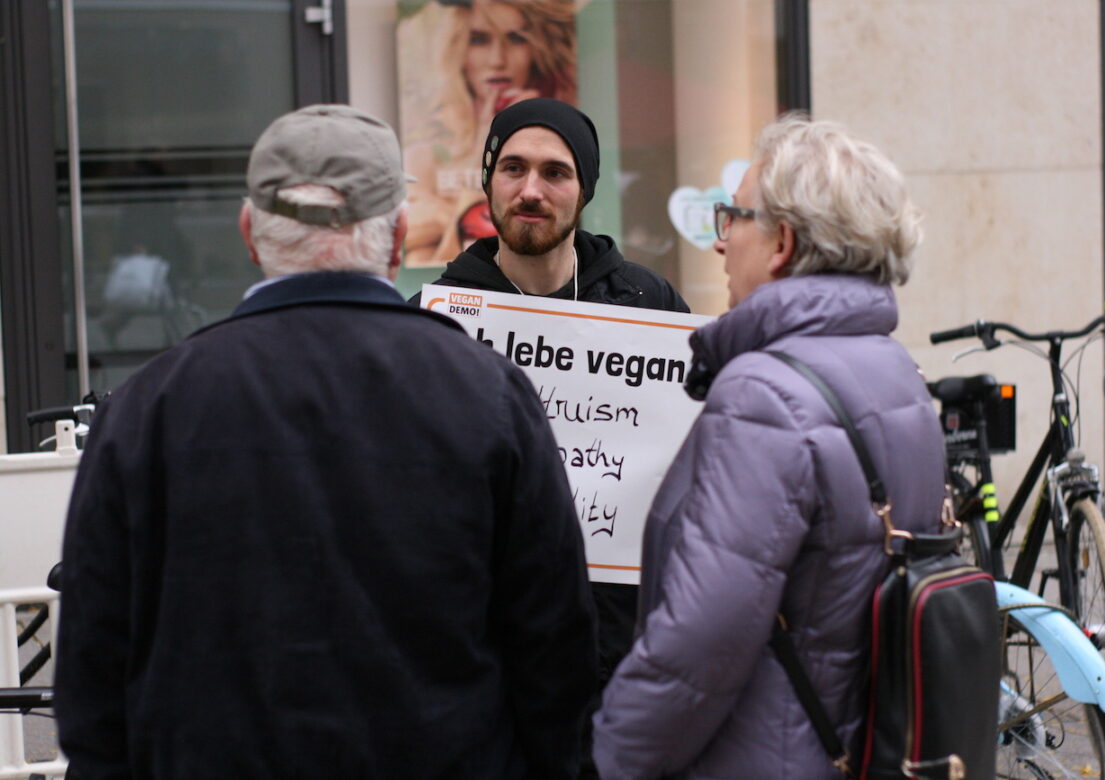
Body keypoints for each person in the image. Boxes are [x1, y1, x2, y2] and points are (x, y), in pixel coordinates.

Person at [54, 104, 598, 780]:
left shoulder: (148, 408)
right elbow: (556, 654)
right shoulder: (490, 395)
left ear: (250, 233)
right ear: (398, 238)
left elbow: (91, 677)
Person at [591, 113, 946, 779]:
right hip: (854, 744)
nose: (720, 242)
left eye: (733, 217)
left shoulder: (763, 392)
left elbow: (703, 635)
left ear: (781, 242)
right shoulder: (893, 367)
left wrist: (613, 757)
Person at [412, 96, 688, 776]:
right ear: (489, 180)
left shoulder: (650, 307)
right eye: (513, 168)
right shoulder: (433, 324)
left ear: (584, 189)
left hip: (623, 667)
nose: (530, 190)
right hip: (487, 670)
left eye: (555, 172)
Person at [403, 0, 577, 266]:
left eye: (516, 39)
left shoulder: (568, 132)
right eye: (479, 40)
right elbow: (422, 253)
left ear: (538, 49)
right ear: (458, 47)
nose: (497, 60)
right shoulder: (424, 153)